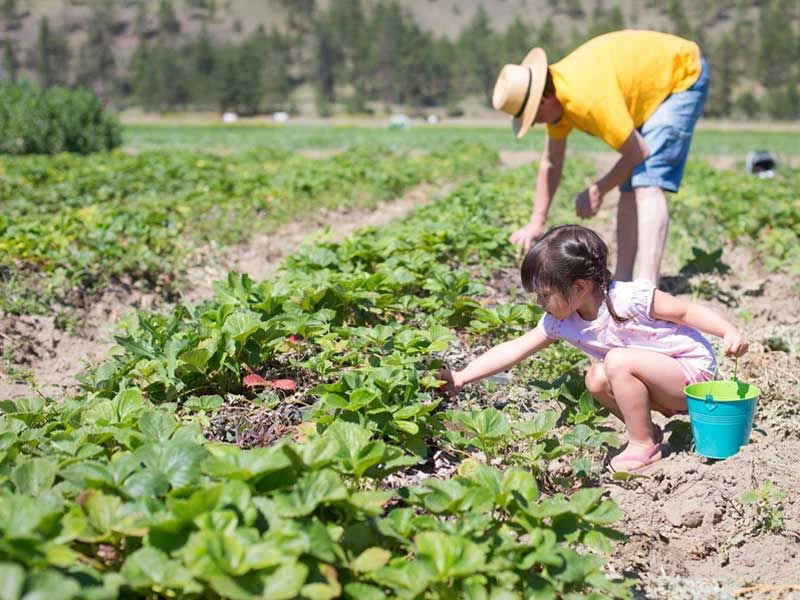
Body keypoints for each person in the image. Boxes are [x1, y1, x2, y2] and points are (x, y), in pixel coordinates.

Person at [439, 225, 748, 472]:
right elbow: (515, 348)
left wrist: (728, 330)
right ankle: (647, 432)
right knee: (596, 378)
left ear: (579, 288)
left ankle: (642, 447)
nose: (539, 303)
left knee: (615, 361)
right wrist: (462, 376)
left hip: (692, 377)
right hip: (653, 380)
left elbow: (684, 312)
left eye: (545, 295)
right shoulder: (562, 321)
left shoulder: (629, 298)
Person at [492, 30, 710, 285]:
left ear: (544, 98)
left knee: (647, 181)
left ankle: (648, 289)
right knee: (630, 187)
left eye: (533, 116)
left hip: (680, 75)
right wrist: (536, 221)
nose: (537, 123)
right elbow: (551, 163)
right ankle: (624, 281)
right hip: (646, 90)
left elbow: (638, 152)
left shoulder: (586, 100)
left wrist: (598, 189)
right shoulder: (558, 103)